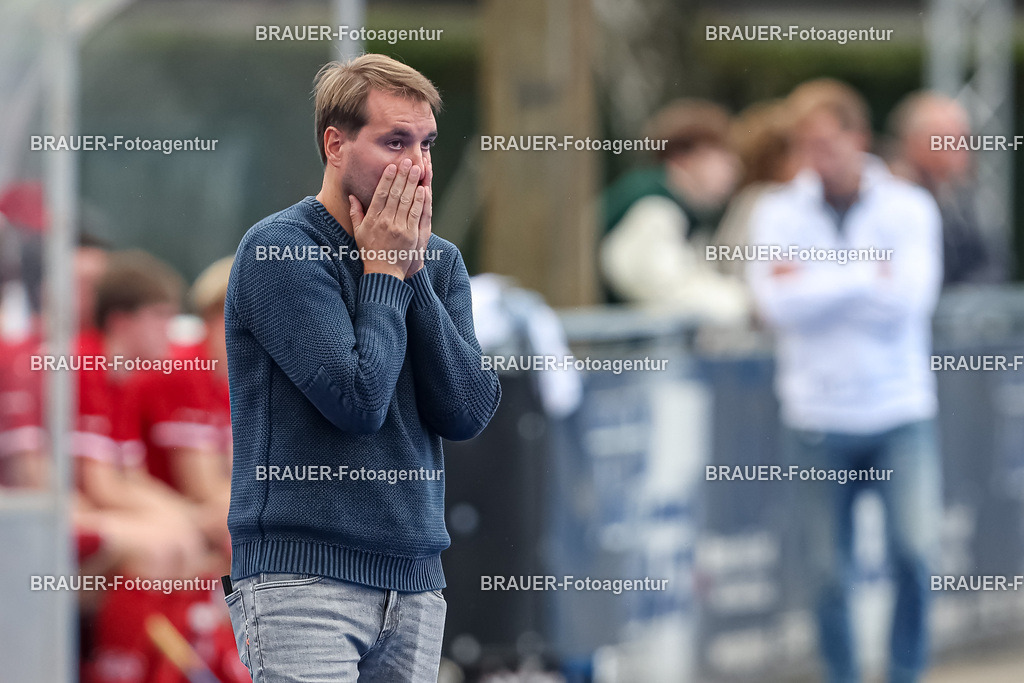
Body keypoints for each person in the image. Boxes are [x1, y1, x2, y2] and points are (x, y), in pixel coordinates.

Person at [224, 53, 501, 681]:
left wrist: (411, 273)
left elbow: (466, 411)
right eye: (395, 142)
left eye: (427, 145)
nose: (418, 167)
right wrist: (383, 273)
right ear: (335, 144)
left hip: (415, 580)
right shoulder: (280, 250)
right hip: (305, 579)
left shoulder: (440, 262)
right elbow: (356, 397)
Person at [747, 79, 943, 683]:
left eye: (828, 141)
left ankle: (906, 673)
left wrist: (810, 281)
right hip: (816, 416)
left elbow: (911, 300)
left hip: (899, 412)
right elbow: (772, 306)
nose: (816, 155)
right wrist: (866, 276)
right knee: (828, 573)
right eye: (805, 143)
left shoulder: (909, 206)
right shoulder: (775, 209)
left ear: (859, 137)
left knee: (915, 554)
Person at [599, 99, 749, 322]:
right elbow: (665, 291)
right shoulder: (653, 208)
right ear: (683, 158)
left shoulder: (681, 208)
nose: (733, 168)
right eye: (721, 156)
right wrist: (745, 303)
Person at [886, 91, 1006, 286]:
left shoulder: (966, 201)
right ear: (912, 142)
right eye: (945, 139)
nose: (960, 148)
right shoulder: (885, 200)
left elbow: (992, 268)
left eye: (963, 138)